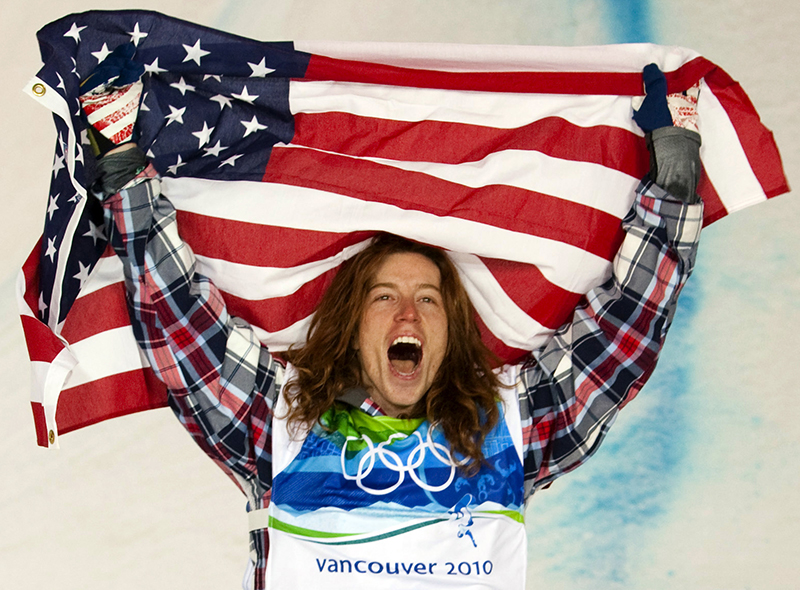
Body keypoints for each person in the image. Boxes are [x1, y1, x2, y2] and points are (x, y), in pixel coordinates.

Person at [82, 50, 703, 590]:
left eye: (428, 299)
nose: (408, 311)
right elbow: (180, 323)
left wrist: (673, 174)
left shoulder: (512, 431)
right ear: (353, 329)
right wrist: (122, 165)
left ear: (452, 331)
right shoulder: (279, 427)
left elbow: (625, 334)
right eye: (384, 297)